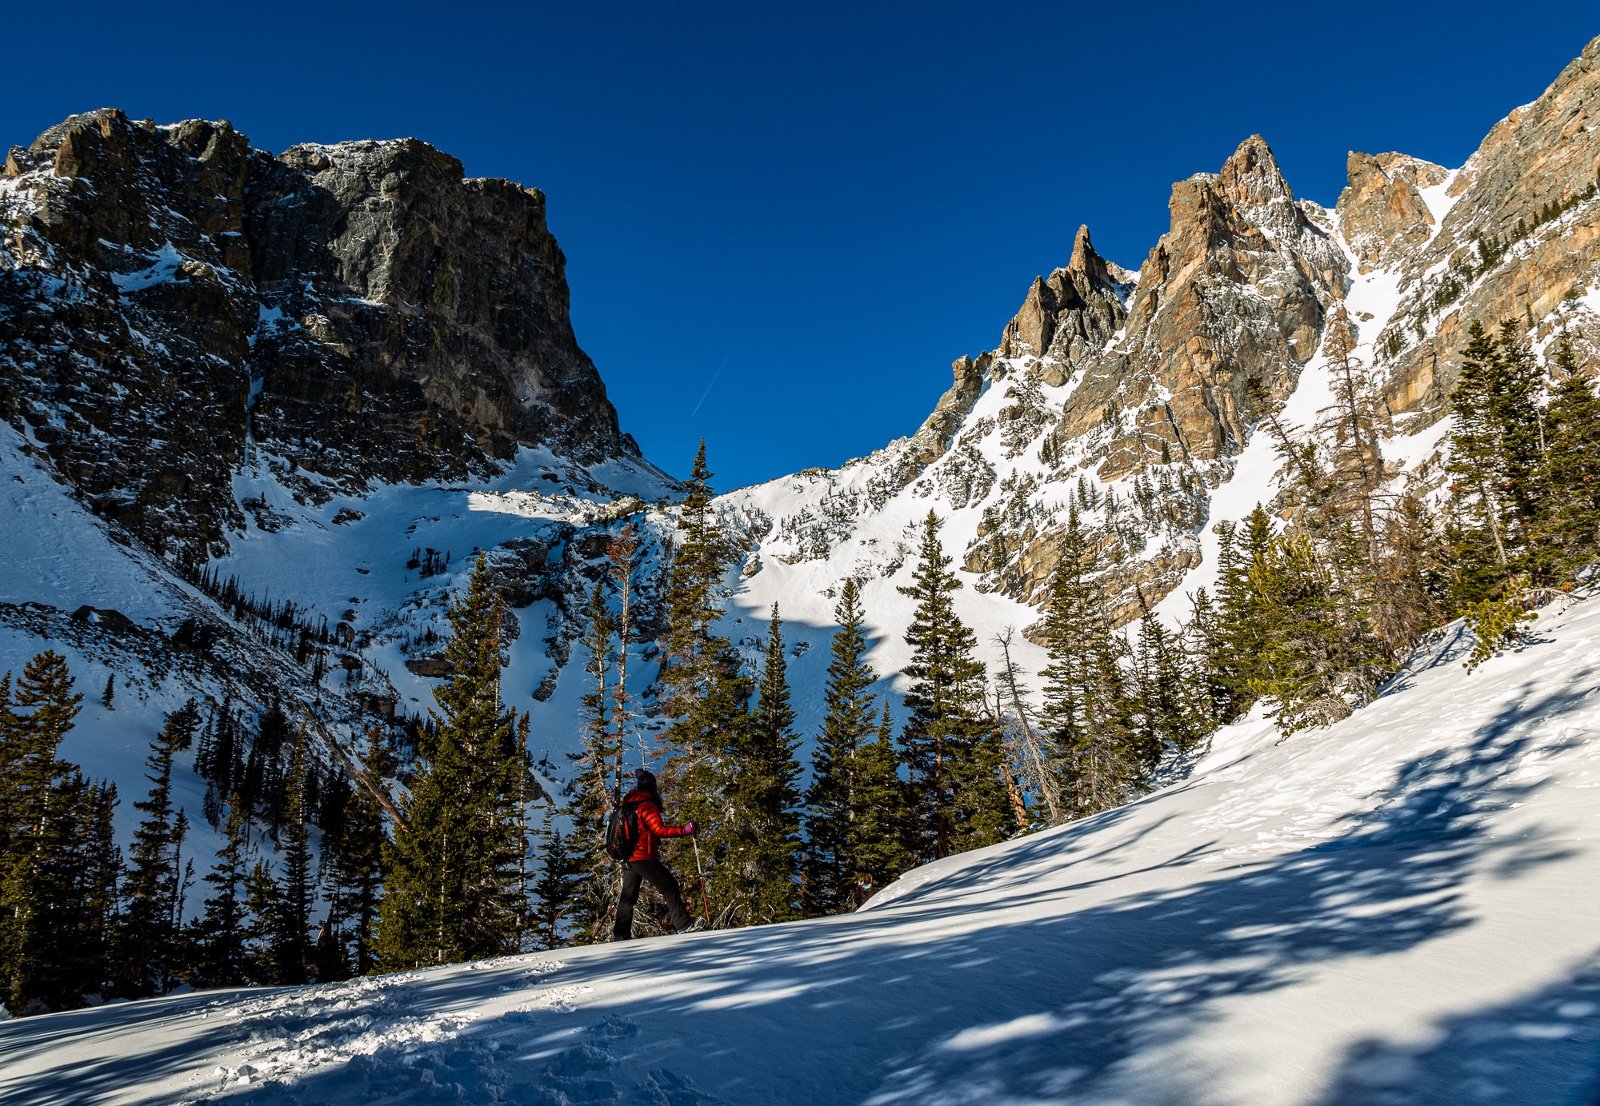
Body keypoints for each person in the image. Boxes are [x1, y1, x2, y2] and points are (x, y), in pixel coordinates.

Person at [613, 768, 703, 940]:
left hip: (629, 858)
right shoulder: (646, 806)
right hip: (644, 857)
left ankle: (620, 936)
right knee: (669, 886)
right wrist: (684, 830)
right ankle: (683, 924)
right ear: (652, 787)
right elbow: (659, 830)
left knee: (628, 897)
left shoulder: (628, 804)